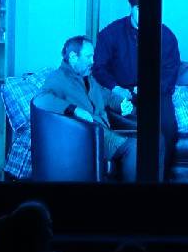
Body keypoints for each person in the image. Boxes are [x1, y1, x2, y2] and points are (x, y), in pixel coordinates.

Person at [92, 0, 180, 178]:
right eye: (140, 8)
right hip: (120, 93)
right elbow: (99, 68)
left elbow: (171, 71)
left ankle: (159, 178)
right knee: (111, 124)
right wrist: (115, 88)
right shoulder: (110, 33)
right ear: (131, 8)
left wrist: (151, 88)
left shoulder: (166, 36)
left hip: (155, 94)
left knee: (167, 127)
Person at [33, 34, 138, 181]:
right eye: (88, 57)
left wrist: (121, 104)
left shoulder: (89, 78)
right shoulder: (57, 78)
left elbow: (106, 95)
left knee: (154, 141)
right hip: (87, 136)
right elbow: (40, 99)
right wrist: (74, 109)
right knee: (134, 148)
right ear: (73, 57)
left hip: (103, 131)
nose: (92, 61)